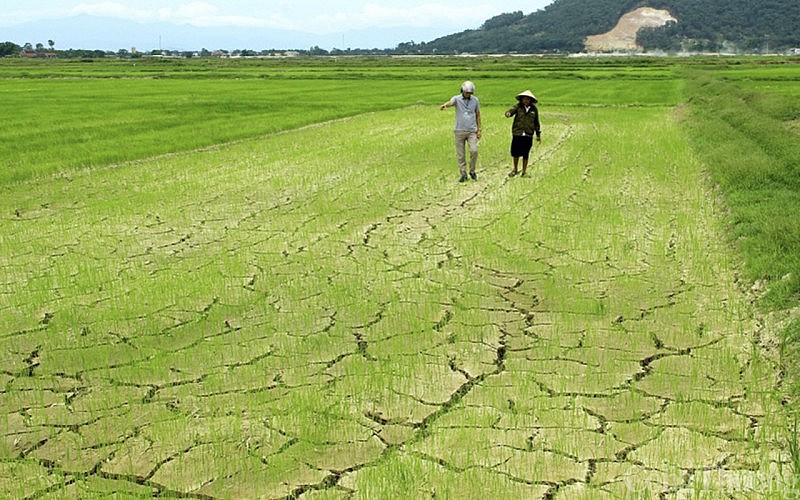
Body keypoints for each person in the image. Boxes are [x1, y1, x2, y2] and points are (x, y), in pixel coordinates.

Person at [440, 81, 481, 182]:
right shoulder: (457, 99)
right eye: (466, 92)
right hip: (459, 130)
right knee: (460, 154)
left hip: (472, 130)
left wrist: (479, 129)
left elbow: (478, 115)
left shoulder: (475, 100)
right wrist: (445, 105)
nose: (468, 94)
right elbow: (451, 102)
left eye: (470, 93)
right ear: (462, 91)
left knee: (474, 151)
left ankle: (472, 170)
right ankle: (463, 173)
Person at [504, 90, 541, 177]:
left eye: (528, 99)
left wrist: (538, 134)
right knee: (515, 152)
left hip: (528, 134)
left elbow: (536, 122)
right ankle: (515, 169)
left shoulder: (534, 110)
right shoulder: (518, 107)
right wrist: (508, 113)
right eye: (524, 99)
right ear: (521, 100)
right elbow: (511, 111)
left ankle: (524, 171)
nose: (526, 101)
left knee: (525, 153)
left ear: (531, 100)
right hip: (518, 133)